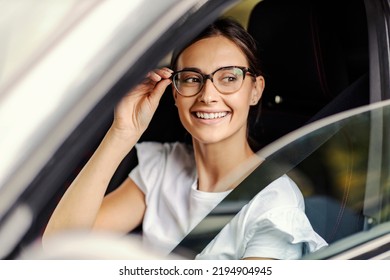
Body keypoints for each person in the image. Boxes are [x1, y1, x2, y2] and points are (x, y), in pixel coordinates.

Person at [43, 17, 327, 259]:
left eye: (229, 78)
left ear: (255, 90)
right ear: (175, 93)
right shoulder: (162, 166)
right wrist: (122, 133)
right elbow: (59, 249)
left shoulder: (275, 205)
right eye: (192, 78)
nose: (208, 95)